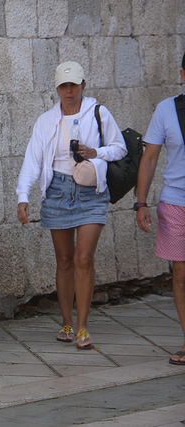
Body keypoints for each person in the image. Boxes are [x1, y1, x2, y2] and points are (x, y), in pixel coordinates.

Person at [16, 62, 127, 349]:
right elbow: (33, 159)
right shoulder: (46, 120)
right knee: (64, 260)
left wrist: (96, 152)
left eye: (73, 85)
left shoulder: (98, 112)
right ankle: (66, 322)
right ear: (56, 88)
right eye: (63, 86)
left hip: (90, 191)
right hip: (57, 191)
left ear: (83, 85)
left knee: (84, 258)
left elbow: (120, 148)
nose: (69, 91)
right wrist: (23, 196)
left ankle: (83, 327)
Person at [135, 52, 185, 365]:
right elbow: (150, 157)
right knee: (180, 274)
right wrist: (141, 202)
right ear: (182, 74)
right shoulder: (167, 109)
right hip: (176, 202)